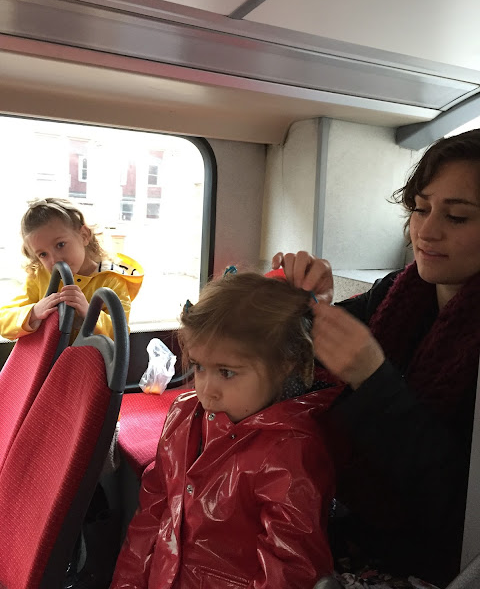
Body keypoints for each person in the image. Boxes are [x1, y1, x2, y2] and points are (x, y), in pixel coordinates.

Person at [272, 128, 480, 588]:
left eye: (458, 217)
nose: (426, 231)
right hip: (352, 522)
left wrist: (374, 381)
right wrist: (303, 301)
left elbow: (458, 506)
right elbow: (300, 345)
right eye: (420, 209)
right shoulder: (398, 294)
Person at [110, 271, 340, 589]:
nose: (206, 390)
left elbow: (289, 572)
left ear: (283, 366)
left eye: (227, 373)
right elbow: (151, 516)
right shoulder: (183, 415)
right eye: (199, 367)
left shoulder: (289, 452)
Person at [0, 197, 143, 341]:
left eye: (60, 245)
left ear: (84, 235)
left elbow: (120, 335)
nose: (55, 260)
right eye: (43, 254)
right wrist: (34, 312)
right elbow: (4, 320)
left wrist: (90, 313)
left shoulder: (112, 281)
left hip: (88, 355)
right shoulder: (40, 276)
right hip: (48, 355)